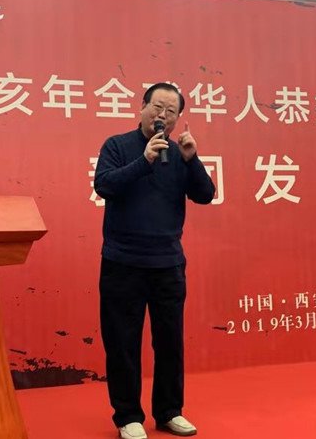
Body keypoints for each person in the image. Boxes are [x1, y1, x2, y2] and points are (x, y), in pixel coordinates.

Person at [94, 83, 215, 439]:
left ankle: (169, 411)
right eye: (157, 107)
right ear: (142, 107)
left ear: (178, 119)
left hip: (168, 265)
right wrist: (143, 161)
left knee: (170, 343)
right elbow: (104, 185)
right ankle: (128, 416)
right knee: (123, 343)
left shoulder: (179, 154)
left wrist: (193, 160)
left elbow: (205, 195)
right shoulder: (117, 146)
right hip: (123, 263)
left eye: (170, 111)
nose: (162, 116)